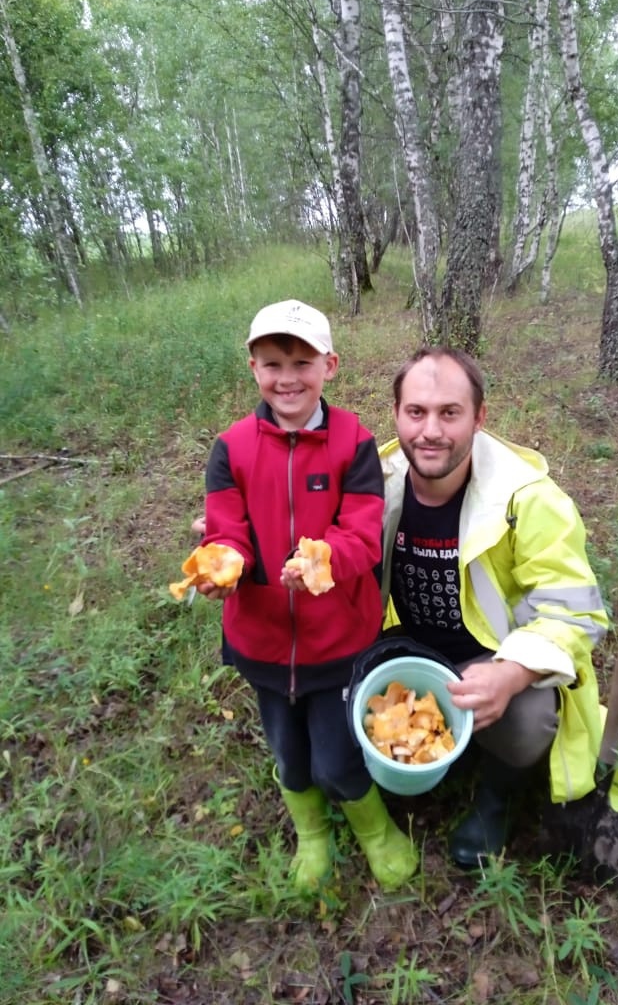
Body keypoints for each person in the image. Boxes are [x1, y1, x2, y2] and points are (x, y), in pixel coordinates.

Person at [193, 299, 418, 892]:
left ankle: (374, 832)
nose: (286, 378)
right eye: (272, 363)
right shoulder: (231, 448)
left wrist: (324, 560)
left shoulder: (355, 443)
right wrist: (225, 565)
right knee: (291, 758)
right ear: (252, 368)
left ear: (330, 365)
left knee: (337, 759)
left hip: (338, 637)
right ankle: (312, 834)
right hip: (262, 638)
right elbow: (225, 528)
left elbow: (363, 533)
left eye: (301, 361)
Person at [379, 346, 610, 869]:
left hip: (489, 657)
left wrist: (512, 673)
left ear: (479, 417)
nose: (430, 431)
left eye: (450, 413)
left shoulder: (527, 498)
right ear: (396, 414)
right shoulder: (377, 479)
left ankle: (496, 799)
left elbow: (574, 611)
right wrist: (243, 537)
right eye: (416, 412)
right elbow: (315, 538)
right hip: (406, 645)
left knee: (527, 722)